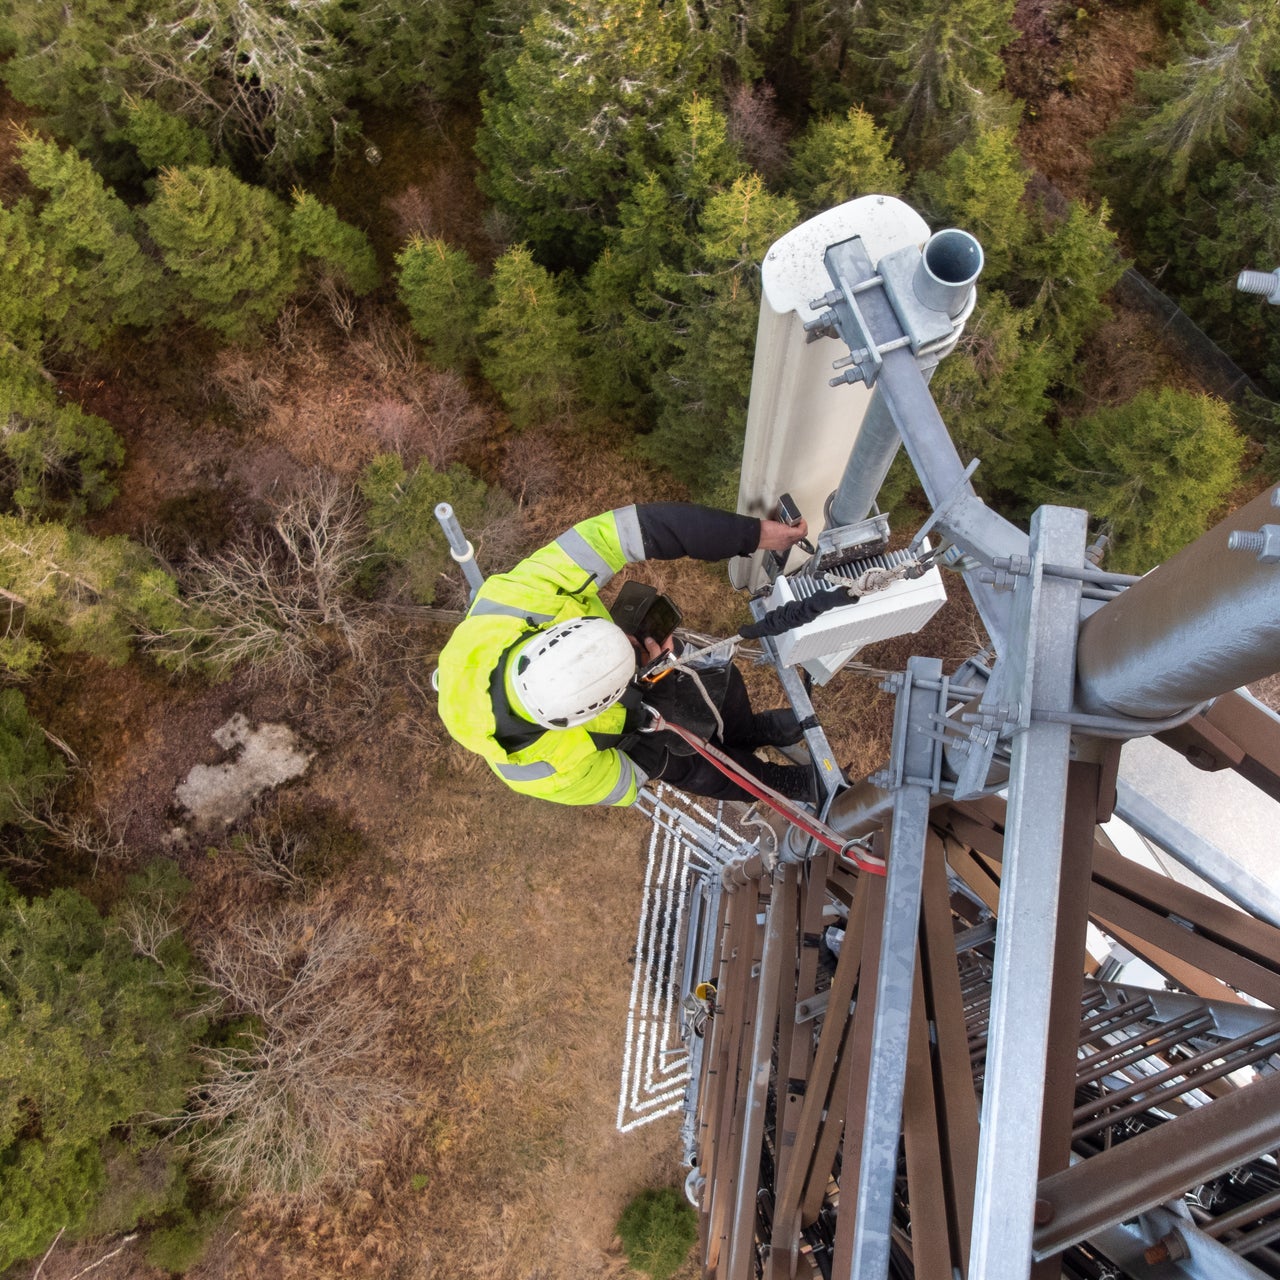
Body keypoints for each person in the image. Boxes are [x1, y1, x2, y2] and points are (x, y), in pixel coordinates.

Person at [435, 502, 814, 808]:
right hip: (636, 738)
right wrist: (658, 702)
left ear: (549, 633)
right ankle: (778, 782)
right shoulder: (540, 771)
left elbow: (628, 531)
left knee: (721, 686)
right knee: (698, 766)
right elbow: (628, 780)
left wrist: (751, 534)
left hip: (645, 672)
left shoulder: (515, 602)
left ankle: (749, 732)